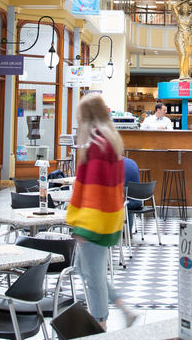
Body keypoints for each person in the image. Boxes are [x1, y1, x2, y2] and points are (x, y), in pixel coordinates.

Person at [65, 93, 138, 328]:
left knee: (93, 276)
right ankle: (123, 310)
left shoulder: (96, 145)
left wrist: (82, 224)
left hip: (93, 221)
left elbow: (93, 189)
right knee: (85, 269)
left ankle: (100, 323)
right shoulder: (111, 141)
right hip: (109, 217)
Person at [123, 154, 140, 230]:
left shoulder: (115, 164)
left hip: (126, 203)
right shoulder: (132, 162)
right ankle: (128, 232)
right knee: (127, 197)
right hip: (138, 201)